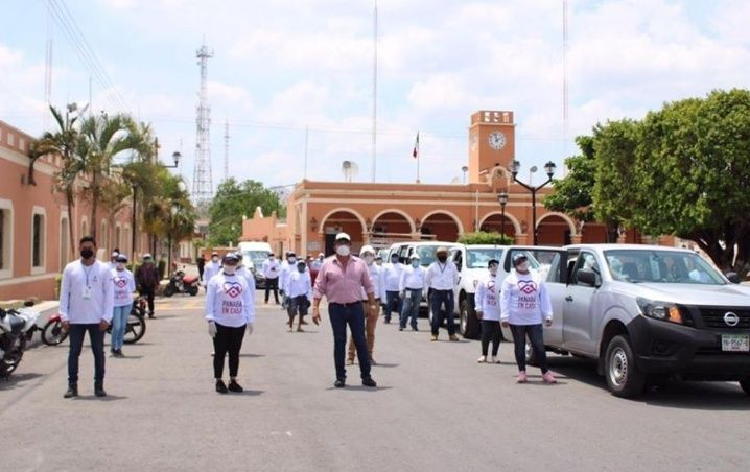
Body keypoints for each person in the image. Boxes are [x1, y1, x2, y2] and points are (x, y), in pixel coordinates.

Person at [312, 233, 378, 388]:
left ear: (350, 245)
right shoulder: (327, 264)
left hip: (355, 307)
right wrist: (315, 307)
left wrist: (373, 304)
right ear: (334, 246)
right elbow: (319, 286)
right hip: (336, 308)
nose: (342, 245)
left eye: (345, 242)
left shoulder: (360, 264)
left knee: (360, 340)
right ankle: (340, 377)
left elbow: (369, 285)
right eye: (339, 242)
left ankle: (366, 375)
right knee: (339, 341)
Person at [60, 236, 114, 398]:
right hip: (75, 320)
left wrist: (107, 317)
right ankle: (72, 386)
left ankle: (99, 386)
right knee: (73, 352)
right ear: (79, 249)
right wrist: (64, 315)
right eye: (84, 247)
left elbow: (109, 295)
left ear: (95, 249)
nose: (87, 250)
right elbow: (64, 294)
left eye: (90, 247)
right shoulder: (70, 268)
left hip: (97, 321)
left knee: (98, 352)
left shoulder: (104, 269)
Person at [500, 253, 556, 384]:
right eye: (519, 261)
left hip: (534, 318)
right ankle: (522, 372)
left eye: (524, 260)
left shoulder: (537, 277)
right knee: (519, 345)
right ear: (515, 265)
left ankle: (545, 373)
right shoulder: (510, 280)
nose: (523, 263)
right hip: (516, 318)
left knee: (539, 346)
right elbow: (504, 298)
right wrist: (504, 316)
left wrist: (548, 314)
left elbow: (544, 297)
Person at [205, 253, 255, 394]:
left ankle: (233, 380)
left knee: (234, 353)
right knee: (220, 353)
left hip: (238, 323)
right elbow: (209, 301)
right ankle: (219, 380)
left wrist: (250, 319)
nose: (231, 265)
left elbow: (248, 301)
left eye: (233, 262)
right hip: (220, 322)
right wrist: (210, 319)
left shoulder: (241, 280)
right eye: (228, 262)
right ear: (223, 263)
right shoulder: (215, 281)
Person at [348, 245, 384, 365]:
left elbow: (381, 286)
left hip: (374, 302)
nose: (367, 257)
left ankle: (369, 356)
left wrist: (383, 302)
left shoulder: (379, 270)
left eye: (370, 255)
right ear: (361, 256)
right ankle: (350, 356)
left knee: (371, 331)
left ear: (373, 256)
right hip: (359, 302)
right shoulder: (356, 269)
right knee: (357, 331)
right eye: (365, 255)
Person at [426, 246, 460, 341]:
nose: (442, 255)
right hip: (436, 291)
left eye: (444, 254)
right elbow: (427, 279)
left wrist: (450, 287)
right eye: (440, 254)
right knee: (436, 314)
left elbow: (456, 278)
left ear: (447, 255)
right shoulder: (432, 266)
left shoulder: (452, 266)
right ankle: (434, 333)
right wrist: (433, 287)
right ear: (437, 255)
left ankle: (451, 334)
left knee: (450, 314)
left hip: (448, 291)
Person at [475, 259, 501, 363]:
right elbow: (478, 295)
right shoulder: (484, 280)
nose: (494, 268)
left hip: (498, 312)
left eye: (496, 266)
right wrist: (478, 308)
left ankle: (494, 355)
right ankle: (484, 355)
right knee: (486, 334)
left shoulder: (502, 280)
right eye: (492, 266)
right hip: (487, 311)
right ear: (489, 267)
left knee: (497, 335)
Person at [110, 254, 136, 358]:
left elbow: (133, 287)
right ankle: (113, 346)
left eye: (123, 261)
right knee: (117, 326)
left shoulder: (129, 274)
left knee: (122, 326)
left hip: (126, 302)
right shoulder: (111, 273)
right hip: (115, 303)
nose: (120, 263)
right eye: (119, 261)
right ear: (115, 262)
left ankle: (119, 347)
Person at [399, 254, 426, 332]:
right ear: (411, 260)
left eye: (417, 260)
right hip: (408, 290)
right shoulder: (406, 268)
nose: (415, 261)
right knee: (406, 307)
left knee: (416, 308)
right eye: (414, 259)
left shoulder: (423, 269)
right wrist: (401, 290)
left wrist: (424, 291)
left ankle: (414, 324)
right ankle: (402, 324)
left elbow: (424, 281)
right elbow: (402, 279)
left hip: (418, 290)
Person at [284, 260, 312, 332]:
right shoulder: (293, 274)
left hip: (303, 296)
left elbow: (309, 287)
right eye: (300, 265)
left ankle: (299, 326)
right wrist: (287, 295)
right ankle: (290, 326)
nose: (301, 266)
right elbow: (288, 285)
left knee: (302, 311)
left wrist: (309, 298)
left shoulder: (307, 275)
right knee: (292, 311)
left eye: (303, 265)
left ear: (305, 266)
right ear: (297, 266)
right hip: (294, 296)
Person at [381, 253, 404, 324]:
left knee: (401, 305)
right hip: (389, 289)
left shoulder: (402, 266)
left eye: (396, 257)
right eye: (393, 257)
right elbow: (383, 277)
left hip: (399, 289)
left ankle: (402, 319)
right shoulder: (386, 266)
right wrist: (383, 287)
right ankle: (387, 318)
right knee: (388, 305)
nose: (394, 258)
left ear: (398, 258)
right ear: (391, 258)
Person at [135, 253, 159, 318]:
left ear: (150, 259)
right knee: (142, 300)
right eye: (145, 258)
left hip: (151, 286)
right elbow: (136, 277)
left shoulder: (154, 267)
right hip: (143, 286)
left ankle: (151, 313)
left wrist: (157, 284)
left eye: (148, 258)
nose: (147, 260)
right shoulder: (140, 267)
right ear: (144, 259)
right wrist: (138, 284)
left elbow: (157, 276)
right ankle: (142, 314)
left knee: (151, 300)